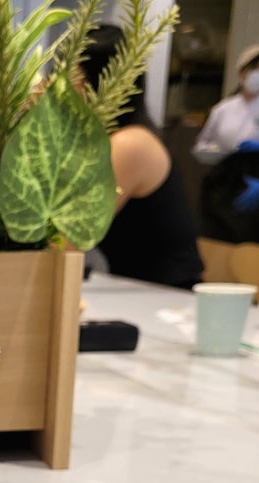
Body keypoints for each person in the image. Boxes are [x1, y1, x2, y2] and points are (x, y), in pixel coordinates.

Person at [80, 25, 203, 290]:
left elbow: (71, 237)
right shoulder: (106, 141)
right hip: (136, 291)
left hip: (167, 297)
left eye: (68, 77)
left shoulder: (130, 144)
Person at [193, 45, 259, 161]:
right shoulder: (223, 109)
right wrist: (212, 151)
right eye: (254, 70)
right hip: (227, 169)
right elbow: (203, 143)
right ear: (241, 74)